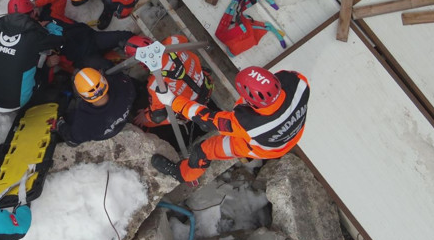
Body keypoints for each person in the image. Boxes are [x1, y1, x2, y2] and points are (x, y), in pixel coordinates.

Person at [151, 66, 309, 183]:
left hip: (262, 148)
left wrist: (172, 101)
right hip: (293, 133)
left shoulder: (248, 124)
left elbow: (206, 119)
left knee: (202, 151)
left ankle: (182, 174)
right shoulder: (299, 82)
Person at [0, 1, 64, 112]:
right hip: (13, 101)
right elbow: (59, 38)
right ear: (32, 14)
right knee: (41, 66)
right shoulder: (36, 36)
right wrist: (47, 25)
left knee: (3, 59)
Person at [11, 0, 133, 70]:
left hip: (92, 39)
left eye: (31, 11)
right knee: (108, 69)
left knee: (126, 37)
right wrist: (48, 63)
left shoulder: (49, 15)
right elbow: (35, 66)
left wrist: (35, 3)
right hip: (81, 58)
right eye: (28, 14)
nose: (33, 14)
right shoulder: (31, 41)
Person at [126, 35, 214, 129]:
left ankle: (144, 126)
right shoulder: (172, 42)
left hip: (192, 109)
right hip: (207, 86)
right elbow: (184, 38)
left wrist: (146, 116)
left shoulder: (155, 84)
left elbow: (159, 115)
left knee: (150, 120)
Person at [55, 67, 136, 146]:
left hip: (101, 133)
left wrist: (60, 124)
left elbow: (73, 140)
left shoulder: (83, 121)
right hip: (119, 123)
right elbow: (120, 77)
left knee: (68, 117)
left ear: (81, 96)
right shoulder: (124, 86)